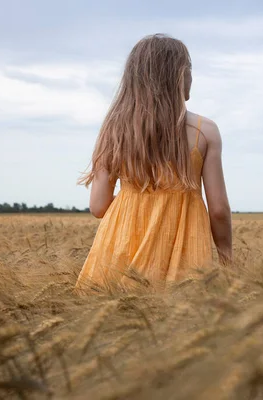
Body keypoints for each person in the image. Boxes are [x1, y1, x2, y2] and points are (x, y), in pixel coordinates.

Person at [75, 34, 232, 291]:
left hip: (119, 249)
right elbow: (218, 209)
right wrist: (227, 259)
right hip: (184, 248)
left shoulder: (114, 129)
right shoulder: (206, 131)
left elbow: (98, 206)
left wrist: (139, 202)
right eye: (190, 69)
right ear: (180, 76)